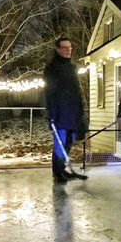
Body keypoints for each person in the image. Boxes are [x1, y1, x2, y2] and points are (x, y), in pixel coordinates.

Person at [44, 37, 88, 184]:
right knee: (60, 143)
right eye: (64, 47)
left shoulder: (71, 67)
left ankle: (62, 168)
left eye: (69, 47)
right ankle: (57, 172)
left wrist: (80, 111)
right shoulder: (52, 68)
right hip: (60, 114)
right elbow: (50, 92)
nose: (68, 50)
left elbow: (76, 92)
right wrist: (51, 114)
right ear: (57, 49)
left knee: (69, 141)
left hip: (73, 112)